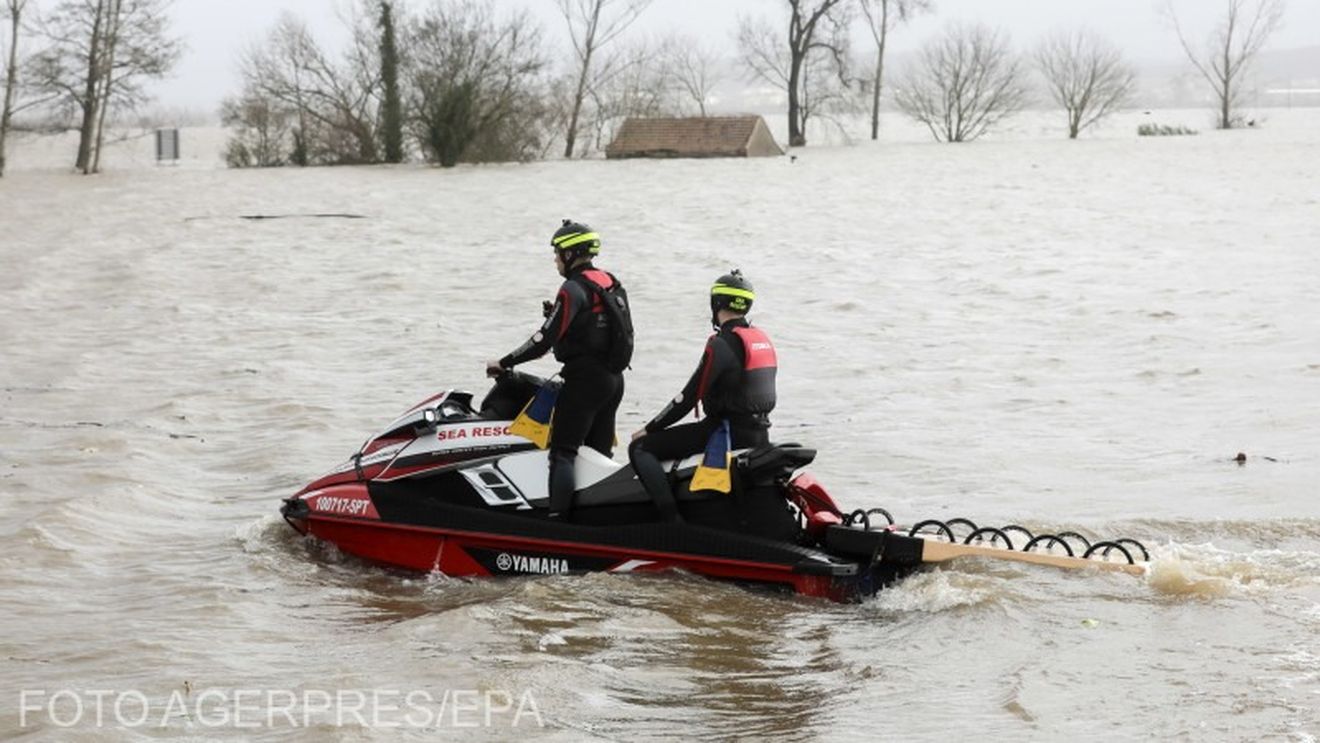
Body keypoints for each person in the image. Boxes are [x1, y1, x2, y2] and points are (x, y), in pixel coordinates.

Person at [486, 220, 627, 520]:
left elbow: (541, 341)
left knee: (563, 453)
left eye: (557, 253)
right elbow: (599, 331)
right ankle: (599, 518)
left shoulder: (573, 288)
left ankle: (557, 523)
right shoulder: (610, 282)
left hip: (585, 383)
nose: (555, 260)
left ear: (570, 254)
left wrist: (504, 362)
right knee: (597, 456)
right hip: (614, 381)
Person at [629, 270, 776, 522]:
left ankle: (672, 522)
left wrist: (650, 427)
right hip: (760, 432)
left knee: (640, 449)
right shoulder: (761, 339)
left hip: (725, 431)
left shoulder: (721, 344)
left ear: (716, 303)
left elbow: (687, 397)